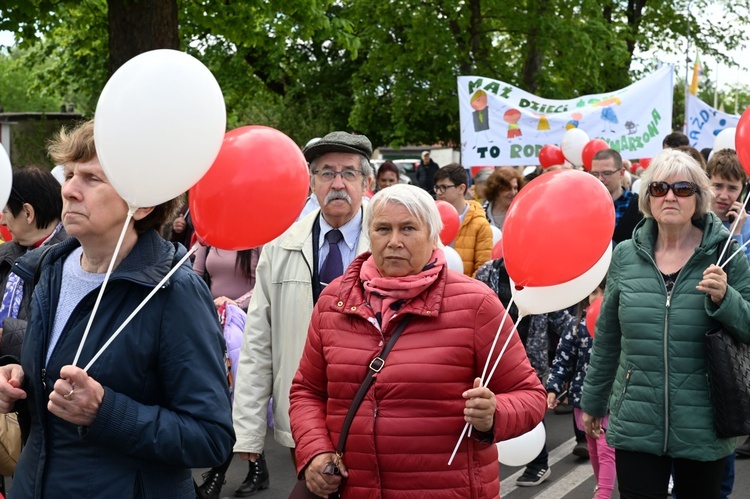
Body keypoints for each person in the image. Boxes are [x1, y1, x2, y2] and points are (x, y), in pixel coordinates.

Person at [0, 121, 235, 497]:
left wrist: (105, 412)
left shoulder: (175, 290)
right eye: (71, 173)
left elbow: (211, 437)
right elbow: (58, 375)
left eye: (92, 178)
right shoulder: (49, 269)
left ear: (141, 203)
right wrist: (20, 379)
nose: (70, 190)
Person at [289, 184, 547, 498]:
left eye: (408, 228)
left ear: (433, 235)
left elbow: (530, 395)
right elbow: (307, 391)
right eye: (383, 228)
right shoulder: (334, 301)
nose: (394, 241)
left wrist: (494, 414)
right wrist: (315, 451)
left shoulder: (476, 305)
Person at [581, 148, 750, 499]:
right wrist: (593, 401)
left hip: (705, 419)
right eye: (659, 188)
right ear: (647, 197)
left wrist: (725, 299)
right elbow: (609, 337)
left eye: (683, 189)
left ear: (698, 198)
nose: (670, 196)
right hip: (636, 417)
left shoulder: (726, 254)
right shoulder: (626, 254)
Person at [232, 131, 373, 496]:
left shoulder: (394, 238)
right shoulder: (281, 244)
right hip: (304, 412)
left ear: (366, 182)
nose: (337, 184)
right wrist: (248, 428)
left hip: (374, 411)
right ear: (312, 182)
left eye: (349, 173)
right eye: (326, 173)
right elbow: (259, 340)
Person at [475, 257, 554, 487]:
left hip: (528, 353)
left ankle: (539, 463)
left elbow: (554, 313)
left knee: (531, 405)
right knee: (492, 408)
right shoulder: (488, 272)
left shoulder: (539, 274)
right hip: (492, 353)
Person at [192, 245, 262, 499]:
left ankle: (216, 475)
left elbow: (265, 284)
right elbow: (196, 275)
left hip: (248, 327)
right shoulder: (209, 237)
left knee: (236, 399)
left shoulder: (259, 239)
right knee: (223, 397)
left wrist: (236, 304)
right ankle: (258, 467)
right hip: (213, 324)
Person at [547, 281, 615, 499]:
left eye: (605, 291)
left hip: (610, 400)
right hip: (582, 398)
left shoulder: (620, 323)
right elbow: (562, 360)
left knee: (606, 448)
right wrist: (553, 388)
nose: (599, 297)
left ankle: (603, 493)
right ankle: (600, 485)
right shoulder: (577, 326)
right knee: (593, 447)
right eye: (594, 291)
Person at [1, 167, 67, 361]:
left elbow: (62, 335)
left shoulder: (73, 261)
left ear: (28, 213)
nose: (3, 222)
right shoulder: (6, 255)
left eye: (5, 212)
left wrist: (6, 335)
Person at [434, 164, 492, 276]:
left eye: (444, 187)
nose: (439, 192)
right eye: (437, 187)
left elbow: (482, 269)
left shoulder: (479, 224)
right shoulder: (430, 218)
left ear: (461, 188)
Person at [590, 149, 643, 244]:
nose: (600, 179)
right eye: (595, 174)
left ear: (621, 173)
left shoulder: (639, 205)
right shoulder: (587, 205)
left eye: (607, 173)